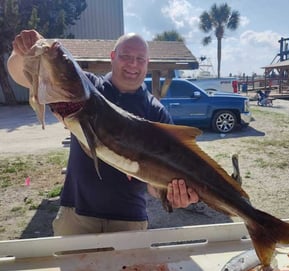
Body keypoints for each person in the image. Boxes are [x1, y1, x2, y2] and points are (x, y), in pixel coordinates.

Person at [7, 29, 199, 235]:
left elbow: (153, 185)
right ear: (112, 57)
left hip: (130, 220)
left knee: (131, 269)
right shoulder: (85, 87)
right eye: (126, 56)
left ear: (147, 63)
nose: (133, 64)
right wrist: (21, 53)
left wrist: (174, 193)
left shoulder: (156, 112)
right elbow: (22, 75)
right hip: (76, 215)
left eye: (140, 59)